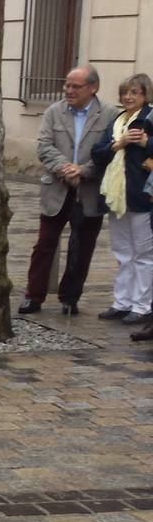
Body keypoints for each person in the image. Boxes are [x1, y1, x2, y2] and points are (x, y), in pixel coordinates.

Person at [21, 67, 116, 316]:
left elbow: (109, 152)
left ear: (92, 88)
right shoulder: (54, 111)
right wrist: (65, 168)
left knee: (82, 246)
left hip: (89, 189)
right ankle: (34, 296)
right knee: (44, 245)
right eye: (67, 85)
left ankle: (70, 297)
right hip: (57, 187)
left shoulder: (108, 115)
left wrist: (83, 171)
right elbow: (44, 145)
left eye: (76, 86)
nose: (69, 90)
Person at [90, 73, 153, 336]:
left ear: (145, 95)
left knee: (143, 254)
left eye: (135, 93)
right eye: (125, 92)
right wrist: (119, 143)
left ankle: (142, 305)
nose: (128, 97)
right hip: (117, 194)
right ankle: (122, 301)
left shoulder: (149, 118)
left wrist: (145, 142)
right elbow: (98, 153)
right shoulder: (117, 120)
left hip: (141, 194)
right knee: (122, 251)